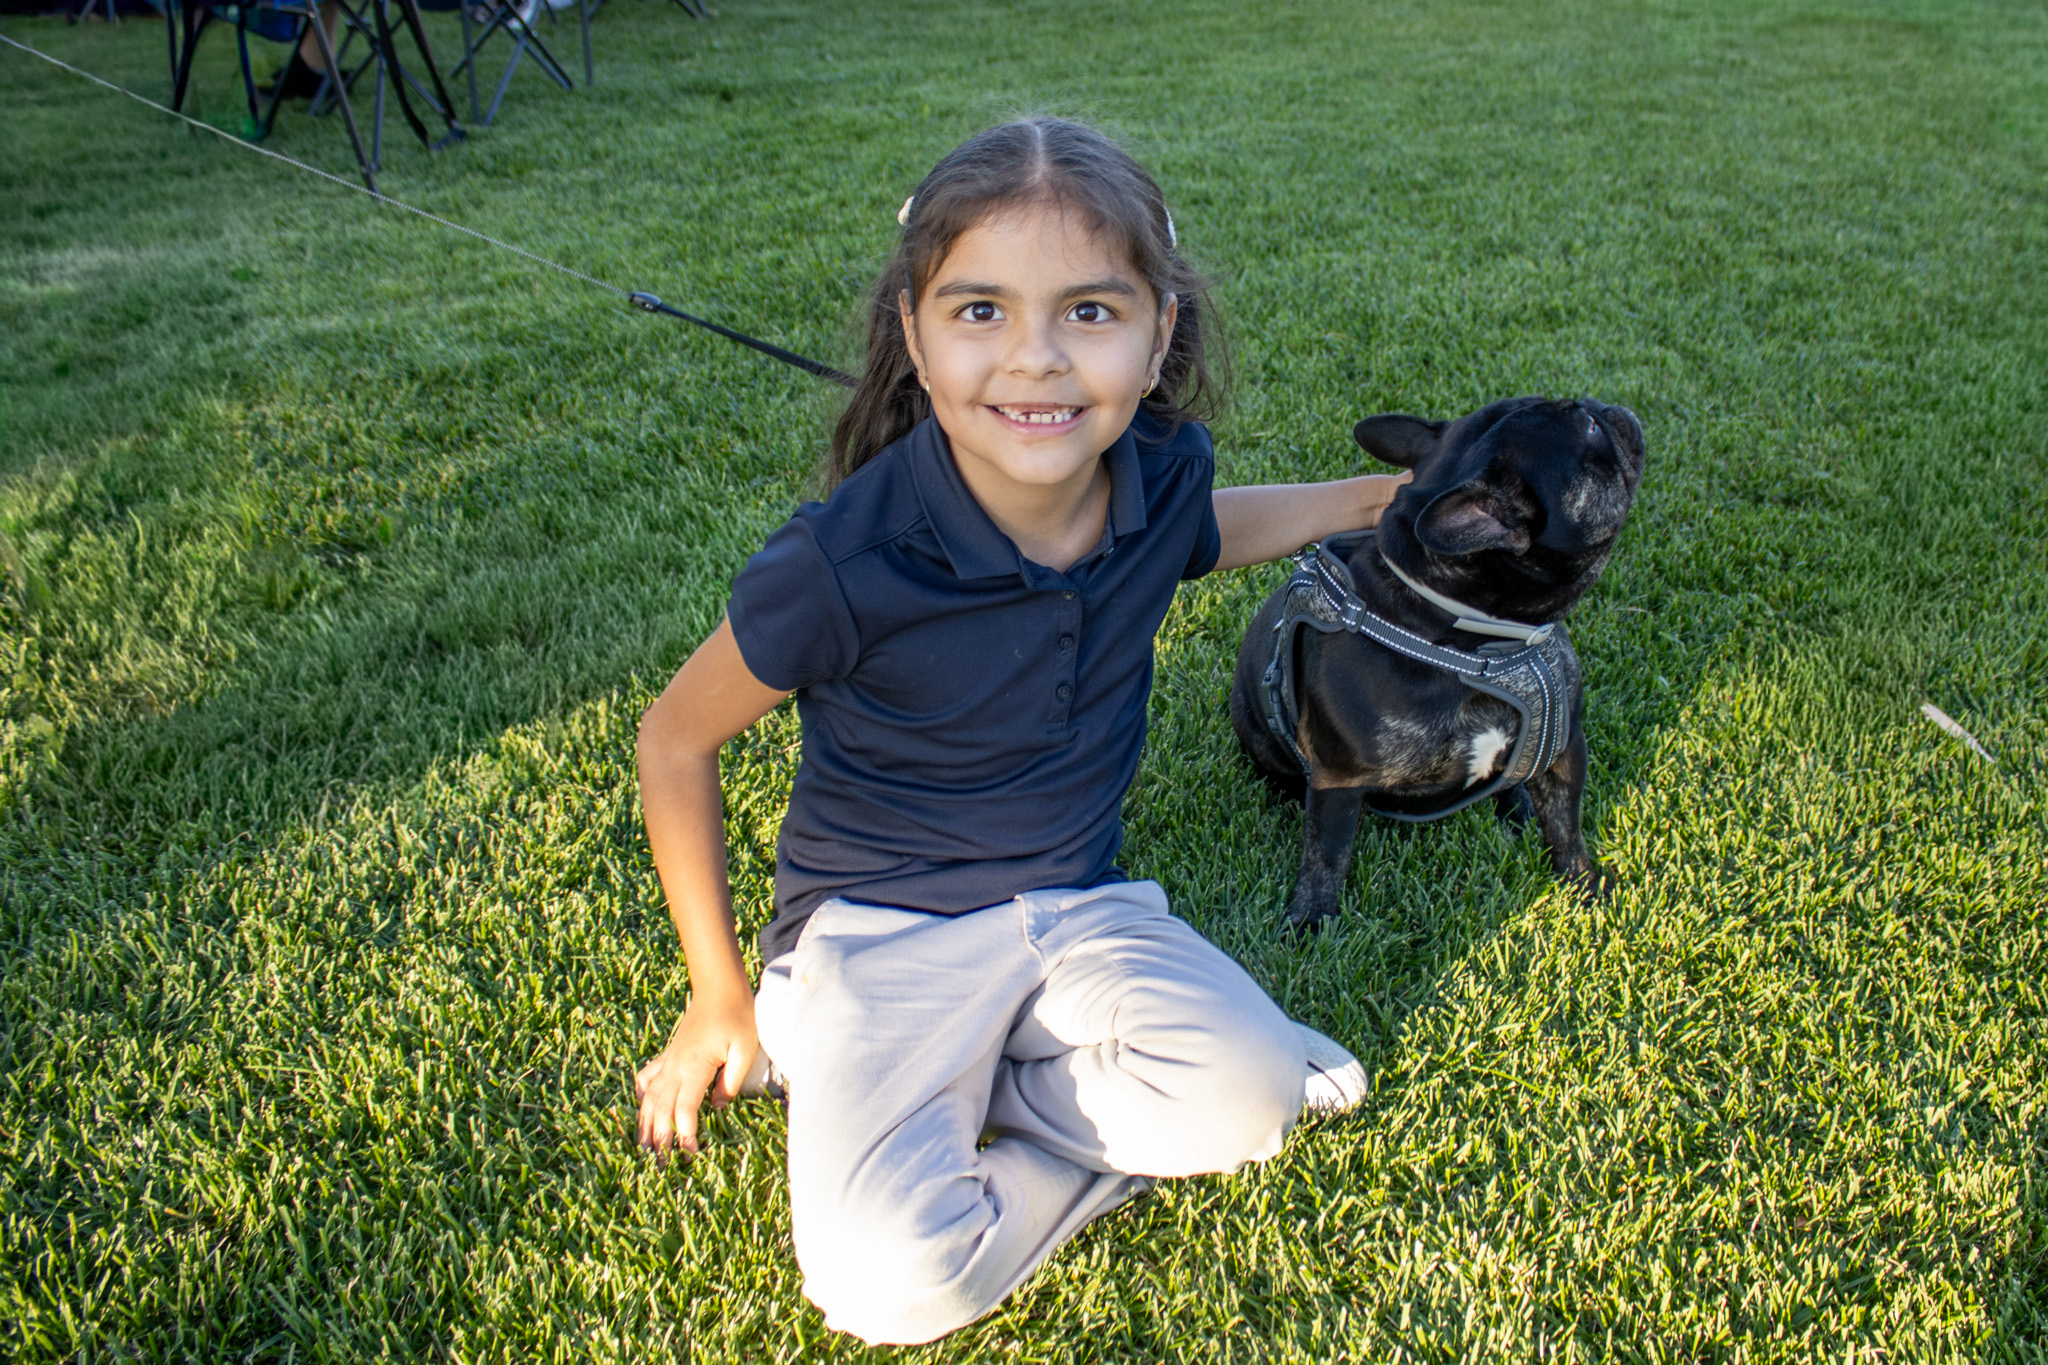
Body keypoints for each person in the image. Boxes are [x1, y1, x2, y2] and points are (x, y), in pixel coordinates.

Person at [633, 117, 1411, 1346]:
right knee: (884, 1288)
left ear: (1158, 338)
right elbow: (673, 742)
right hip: (876, 942)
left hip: (1071, 916)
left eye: (1090, 314)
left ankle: (989, 1087)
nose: (1035, 360)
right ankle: (877, 1064)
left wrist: (1363, 502)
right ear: (914, 334)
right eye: (979, 311)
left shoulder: (1155, 477)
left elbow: (1207, 527)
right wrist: (714, 998)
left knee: (1254, 1101)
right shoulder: (841, 562)